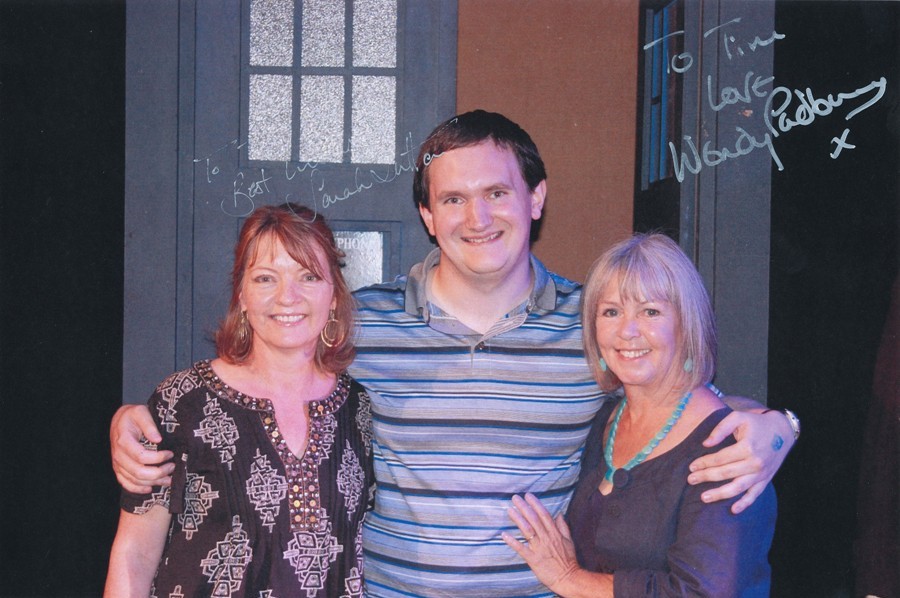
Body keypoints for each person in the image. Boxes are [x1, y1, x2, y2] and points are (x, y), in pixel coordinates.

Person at [110, 111, 795, 597]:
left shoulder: (593, 325)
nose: (477, 218)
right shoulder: (361, 325)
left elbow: (673, 396)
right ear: (429, 217)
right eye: (454, 199)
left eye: (497, 193)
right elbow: (256, 380)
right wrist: (132, 421)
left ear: (536, 198)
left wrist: (772, 425)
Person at [104, 204, 375, 597]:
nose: (287, 297)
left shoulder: (359, 409)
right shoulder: (181, 402)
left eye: (308, 276)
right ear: (242, 295)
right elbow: (134, 554)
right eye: (265, 278)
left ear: (334, 294)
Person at [503, 233, 776, 596]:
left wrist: (570, 579)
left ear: (686, 323)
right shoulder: (605, 420)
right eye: (611, 312)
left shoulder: (729, 449)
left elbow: (701, 593)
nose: (627, 331)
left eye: (650, 312)